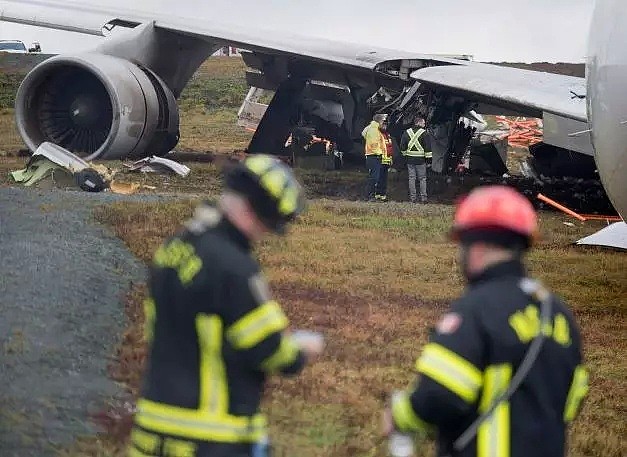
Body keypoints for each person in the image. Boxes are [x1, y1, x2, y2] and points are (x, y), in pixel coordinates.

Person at [128, 154, 325, 457]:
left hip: (151, 430)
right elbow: (269, 349)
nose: (265, 234)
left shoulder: (174, 248)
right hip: (210, 435)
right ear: (254, 209)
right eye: (269, 224)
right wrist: (301, 349)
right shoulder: (234, 268)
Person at [382, 185, 589, 457]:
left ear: (475, 245)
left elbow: (439, 395)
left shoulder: (477, 309)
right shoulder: (557, 313)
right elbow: (573, 397)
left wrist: (400, 413)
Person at [400, 117, 432, 203]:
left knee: (411, 178)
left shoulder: (407, 132)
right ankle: (424, 198)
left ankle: (412, 198)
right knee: (422, 179)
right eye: (423, 123)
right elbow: (428, 149)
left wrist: (405, 155)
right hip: (421, 161)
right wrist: (429, 161)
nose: (424, 125)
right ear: (418, 123)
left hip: (410, 160)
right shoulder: (425, 133)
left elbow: (402, 147)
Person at [362, 113, 388, 201]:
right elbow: (374, 144)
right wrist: (380, 153)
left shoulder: (374, 129)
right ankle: (369, 196)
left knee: (374, 176)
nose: (384, 123)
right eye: (383, 121)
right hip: (374, 156)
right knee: (374, 177)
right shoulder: (374, 130)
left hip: (373, 156)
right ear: (379, 121)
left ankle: (370, 195)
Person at [377, 125, 394, 202]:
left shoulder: (388, 135)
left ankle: (383, 195)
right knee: (379, 178)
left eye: (385, 125)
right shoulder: (377, 135)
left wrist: (390, 159)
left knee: (384, 179)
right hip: (379, 160)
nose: (385, 126)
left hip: (386, 161)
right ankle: (377, 195)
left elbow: (389, 148)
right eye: (383, 125)